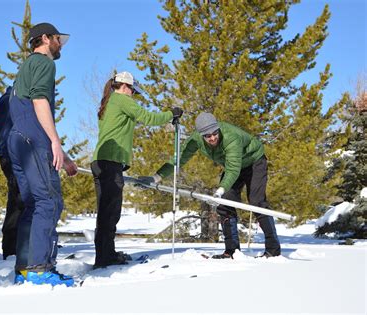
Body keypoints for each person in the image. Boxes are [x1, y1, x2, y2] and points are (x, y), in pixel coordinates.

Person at [143, 112, 281, 259]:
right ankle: (232, 251)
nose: (213, 138)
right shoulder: (195, 140)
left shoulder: (230, 136)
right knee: (224, 204)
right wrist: (156, 177)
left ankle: (273, 250)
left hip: (254, 162)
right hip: (233, 167)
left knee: (256, 201)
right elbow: (179, 159)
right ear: (200, 135)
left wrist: (220, 190)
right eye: (208, 136)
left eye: (215, 133)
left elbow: (233, 169)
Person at [7, 22, 77, 286]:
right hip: (33, 137)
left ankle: (24, 269)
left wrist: (64, 156)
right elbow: (39, 102)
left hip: (18, 138)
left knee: (33, 204)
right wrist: (55, 142)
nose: (61, 44)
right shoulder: (45, 63)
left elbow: (27, 113)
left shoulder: (25, 66)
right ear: (46, 38)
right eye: (59, 38)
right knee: (48, 202)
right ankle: (40, 269)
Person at [91, 71, 183, 269]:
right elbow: (148, 117)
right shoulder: (121, 99)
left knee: (105, 211)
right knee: (110, 212)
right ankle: (105, 258)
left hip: (102, 161)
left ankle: (106, 254)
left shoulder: (108, 103)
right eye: (133, 90)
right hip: (110, 161)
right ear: (125, 87)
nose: (133, 94)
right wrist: (171, 115)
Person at [0, 86, 24, 261]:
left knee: (22, 199)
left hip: (12, 155)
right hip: (11, 156)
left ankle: (21, 244)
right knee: (17, 200)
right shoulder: (10, 101)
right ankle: (11, 248)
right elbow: (6, 133)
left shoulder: (12, 100)